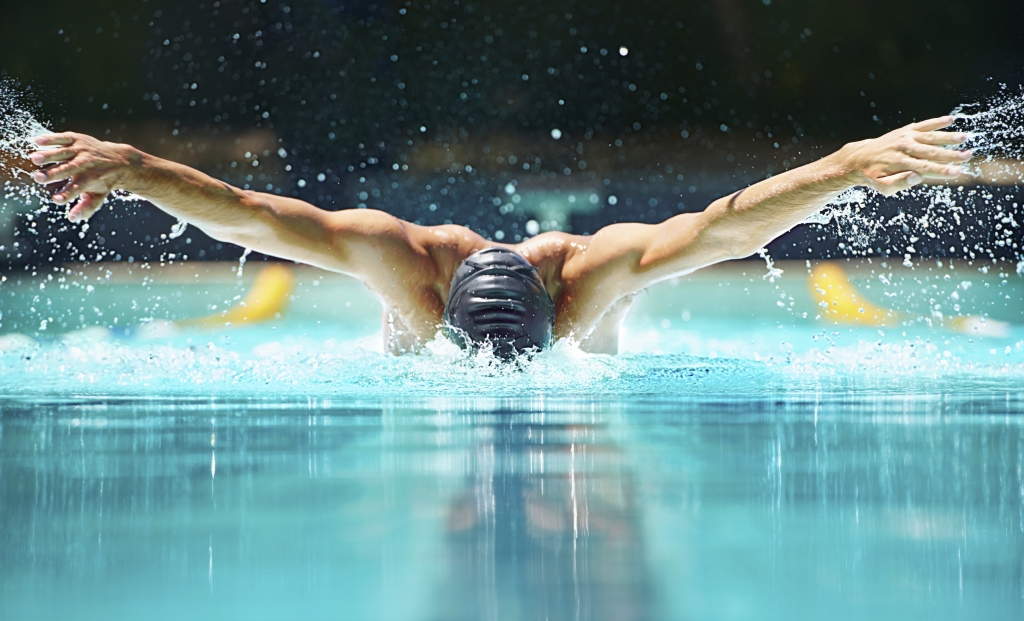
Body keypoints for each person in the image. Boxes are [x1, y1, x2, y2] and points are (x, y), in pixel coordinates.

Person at [29, 116, 971, 356]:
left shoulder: (596, 272)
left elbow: (723, 228)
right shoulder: (402, 261)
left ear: (558, 311)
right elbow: (254, 211)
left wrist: (844, 166)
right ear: (438, 308)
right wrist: (138, 167)